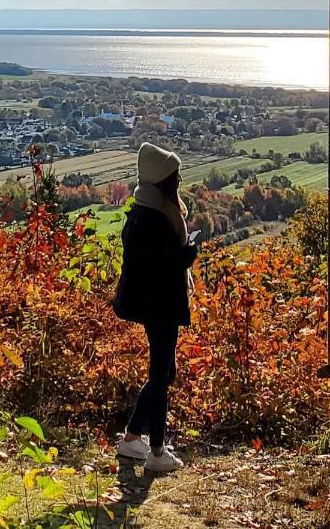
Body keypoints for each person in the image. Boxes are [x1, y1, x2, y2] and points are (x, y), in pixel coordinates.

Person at [113, 142, 197, 473]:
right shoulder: (155, 217)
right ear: (163, 179)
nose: (178, 180)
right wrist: (188, 254)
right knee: (161, 374)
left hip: (153, 301)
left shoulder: (144, 210)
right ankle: (157, 451)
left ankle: (134, 438)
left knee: (164, 372)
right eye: (174, 176)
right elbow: (164, 264)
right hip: (160, 302)